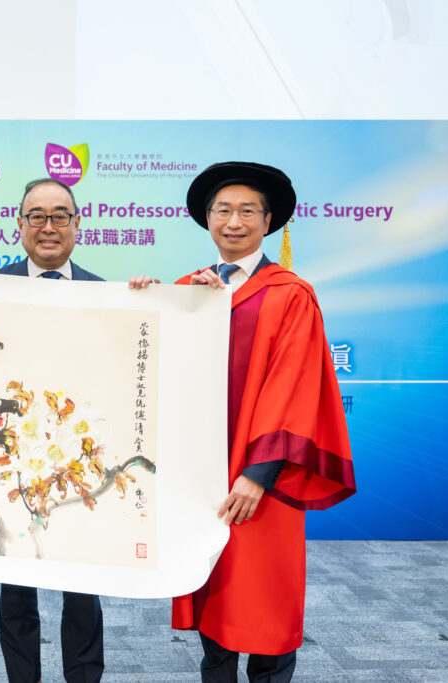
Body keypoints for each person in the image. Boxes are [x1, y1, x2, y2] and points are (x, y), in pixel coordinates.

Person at [129, 161, 355, 682]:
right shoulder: (189, 289)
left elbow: (293, 388)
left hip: (262, 478)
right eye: (223, 210)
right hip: (203, 475)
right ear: (207, 219)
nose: (234, 221)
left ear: (269, 219)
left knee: (266, 603)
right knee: (216, 599)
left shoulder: (290, 294)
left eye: (247, 210)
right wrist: (148, 301)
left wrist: (258, 474)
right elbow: (152, 369)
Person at [0, 178, 105, 683]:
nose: (48, 226)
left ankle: (83, 677)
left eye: (61, 215)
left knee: (82, 585)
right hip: (11, 462)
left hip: (80, 462)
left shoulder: (110, 296)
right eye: (36, 215)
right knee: (16, 584)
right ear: (19, 226)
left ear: (78, 225)